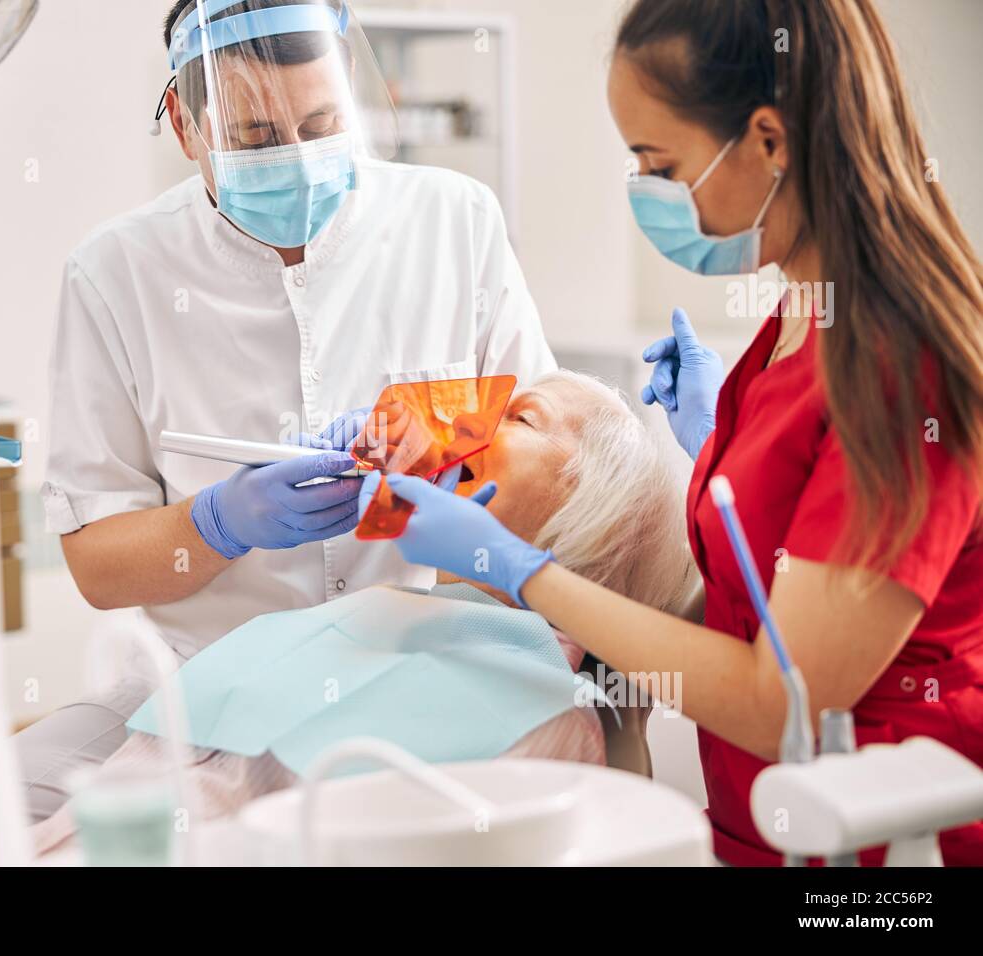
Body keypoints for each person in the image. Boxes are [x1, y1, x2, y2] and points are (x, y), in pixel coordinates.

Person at [369, 0, 983, 866]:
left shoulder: (896, 370)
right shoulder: (794, 324)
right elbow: (756, 609)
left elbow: (785, 700)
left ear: (770, 140)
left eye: (661, 163)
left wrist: (526, 572)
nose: (648, 191)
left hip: (883, 853)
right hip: (757, 827)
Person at [17, 0, 556, 821]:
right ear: (184, 124)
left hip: (424, 665)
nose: (299, 159)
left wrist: (444, 440)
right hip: (209, 683)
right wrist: (217, 525)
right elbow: (96, 561)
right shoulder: (113, 274)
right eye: (258, 139)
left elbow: (553, 456)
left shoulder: (456, 220)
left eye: (323, 122)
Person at [31, 372, 697, 853]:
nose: (460, 421)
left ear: (590, 520)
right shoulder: (382, 618)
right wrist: (218, 520)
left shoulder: (543, 724)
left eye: (520, 417)